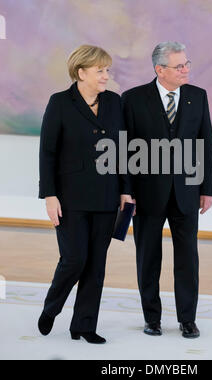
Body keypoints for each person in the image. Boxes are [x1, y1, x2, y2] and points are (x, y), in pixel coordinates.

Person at [38, 44, 134, 344]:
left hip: (106, 197)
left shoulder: (114, 103)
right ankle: (51, 308)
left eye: (107, 70)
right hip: (70, 198)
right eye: (100, 70)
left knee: (96, 264)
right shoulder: (60, 103)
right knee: (74, 259)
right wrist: (49, 196)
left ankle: (84, 325)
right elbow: (48, 152)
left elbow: (123, 150)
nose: (106, 76)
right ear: (81, 72)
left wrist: (125, 191)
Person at [122, 42, 212, 338]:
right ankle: (152, 318)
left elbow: (205, 145)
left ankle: (188, 319)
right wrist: (126, 191)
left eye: (187, 63)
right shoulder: (133, 99)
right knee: (147, 257)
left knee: (188, 257)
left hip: (187, 192)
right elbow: (124, 150)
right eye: (179, 66)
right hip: (146, 194)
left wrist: (208, 188)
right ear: (159, 69)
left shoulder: (198, 97)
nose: (186, 69)